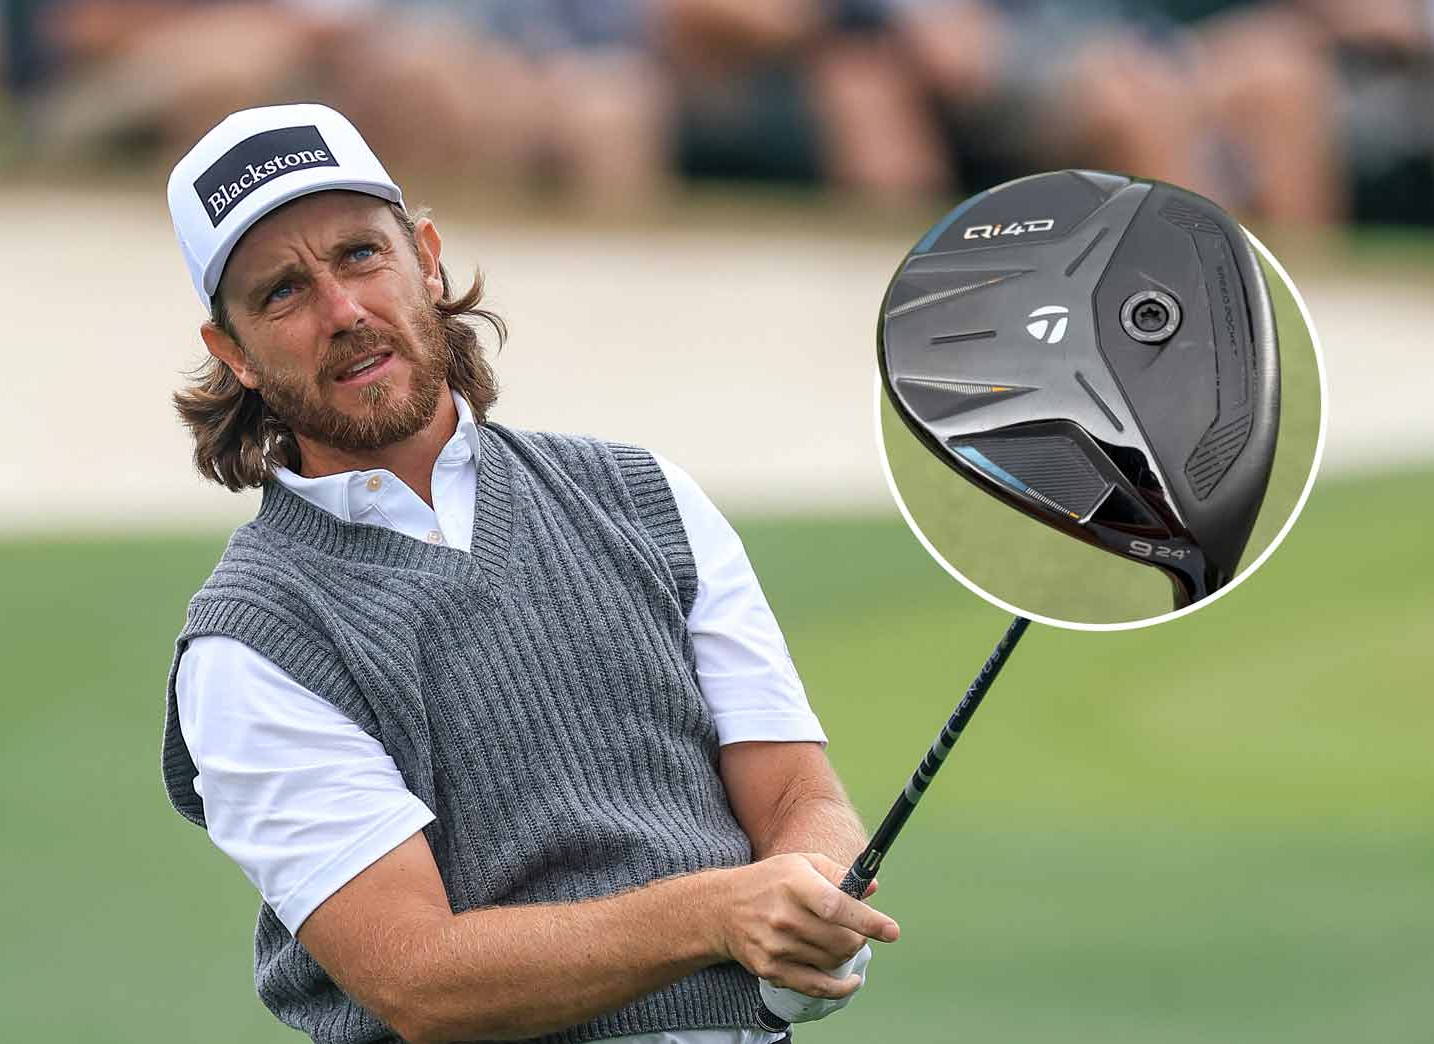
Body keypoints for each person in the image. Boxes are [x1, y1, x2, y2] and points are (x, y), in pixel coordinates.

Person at [156, 102, 899, 1043]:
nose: (343, 311)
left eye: (359, 255)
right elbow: (421, 980)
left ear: (425, 257)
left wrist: (812, 905)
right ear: (235, 355)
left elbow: (797, 795)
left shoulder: (642, 496)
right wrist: (719, 913)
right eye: (281, 294)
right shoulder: (252, 644)